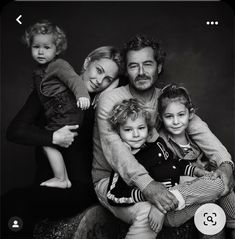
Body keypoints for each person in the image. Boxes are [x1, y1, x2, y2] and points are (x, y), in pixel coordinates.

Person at [92, 34, 234, 239]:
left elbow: (199, 128)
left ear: (158, 67)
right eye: (133, 66)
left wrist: (225, 163)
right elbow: (116, 150)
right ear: (126, 70)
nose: (141, 72)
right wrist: (148, 185)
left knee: (215, 190)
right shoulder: (111, 99)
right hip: (115, 182)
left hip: (161, 176)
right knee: (149, 217)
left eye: (147, 64)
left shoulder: (165, 98)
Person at [2, 44, 122, 239]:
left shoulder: (100, 103)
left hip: (79, 187)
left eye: (107, 79)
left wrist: (110, 89)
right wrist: (52, 137)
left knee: (16, 202)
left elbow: (126, 80)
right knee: (12, 205)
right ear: (87, 62)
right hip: (46, 181)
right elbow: (15, 131)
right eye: (98, 70)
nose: (100, 80)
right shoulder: (52, 89)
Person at [106, 98, 234, 237]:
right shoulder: (126, 159)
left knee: (220, 184)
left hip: (181, 201)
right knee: (217, 184)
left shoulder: (157, 144)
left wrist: (196, 171)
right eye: (128, 130)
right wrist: (146, 195)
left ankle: (233, 225)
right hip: (167, 212)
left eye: (141, 128)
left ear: (148, 128)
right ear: (119, 132)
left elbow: (175, 164)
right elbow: (113, 195)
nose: (136, 134)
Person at [158, 83, 235, 237]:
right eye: (169, 116)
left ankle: (233, 224)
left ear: (190, 114)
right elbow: (167, 175)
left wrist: (213, 175)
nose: (175, 121)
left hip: (207, 187)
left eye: (181, 115)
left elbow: (216, 157)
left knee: (225, 188)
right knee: (214, 192)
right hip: (182, 196)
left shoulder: (193, 138)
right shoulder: (161, 143)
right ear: (160, 117)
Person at [22, 19, 91, 188]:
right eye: (36, 47)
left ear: (57, 49)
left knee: (46, 141)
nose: (40, 52)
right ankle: (63, 178)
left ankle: (62, 179)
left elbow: (74, 80)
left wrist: (83, 96)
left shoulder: (59, 65)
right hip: (56, 112)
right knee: (47, 141)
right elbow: (40, 89)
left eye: (47, 47)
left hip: (67, 112)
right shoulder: (38, 70)